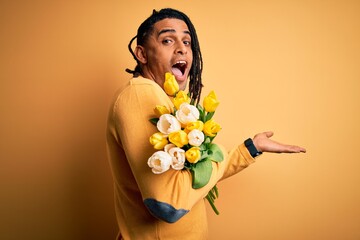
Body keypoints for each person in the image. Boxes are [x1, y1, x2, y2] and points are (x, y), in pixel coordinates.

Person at [106, 8, 306, 240]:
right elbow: (168, 204)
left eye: (187, 41)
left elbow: (192, 179)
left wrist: (251, 148)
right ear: (142, 54)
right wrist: (216, 151)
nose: (182, 48)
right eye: (168, 40)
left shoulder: (164, 100)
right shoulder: (141, 93)